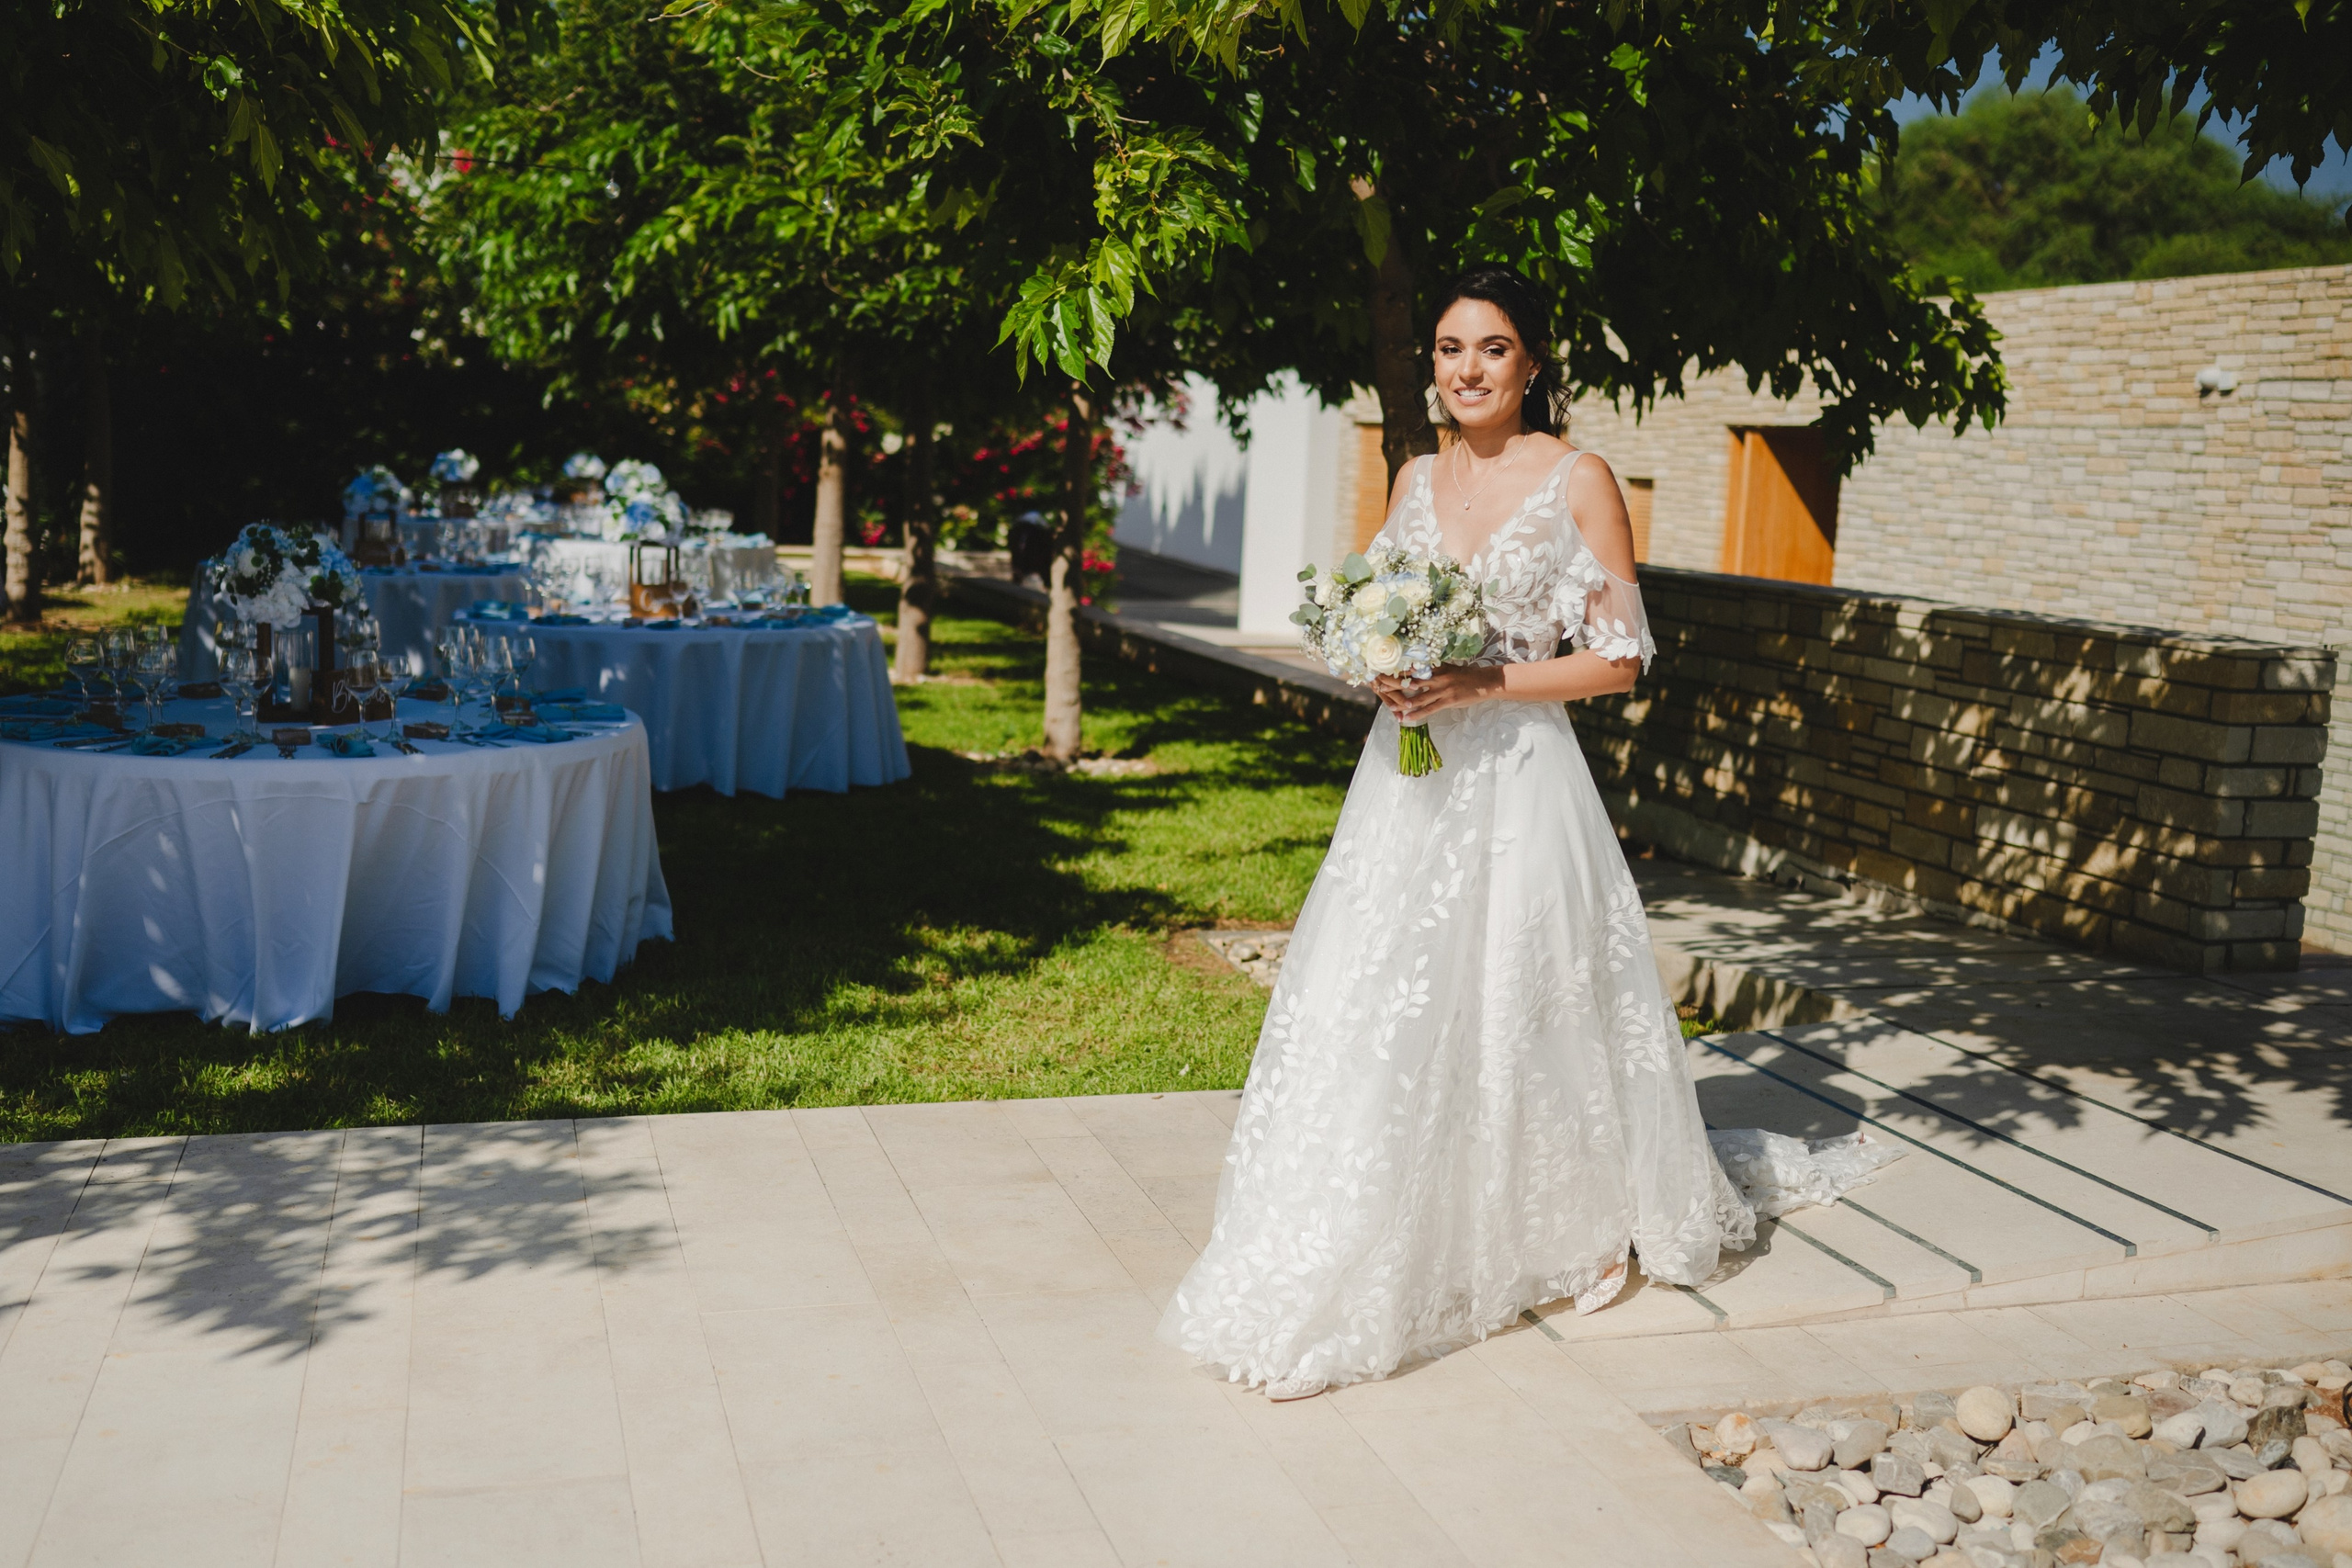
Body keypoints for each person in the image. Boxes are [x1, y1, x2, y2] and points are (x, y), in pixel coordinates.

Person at [1158, 264, 1886, 1402]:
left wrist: (1481, 680)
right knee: (1388, 993)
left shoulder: (1579, 478)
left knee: (1528, 995)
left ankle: (1581, 1224)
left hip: (1518, 776)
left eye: (1491, 349)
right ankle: (1401, 1205)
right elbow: (1369, 604)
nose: (1466, 370)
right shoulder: (1410, 475)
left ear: (1532, 363)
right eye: (1450, 350)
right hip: (1406, 782)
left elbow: (1622, 658)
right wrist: (1383, 664)